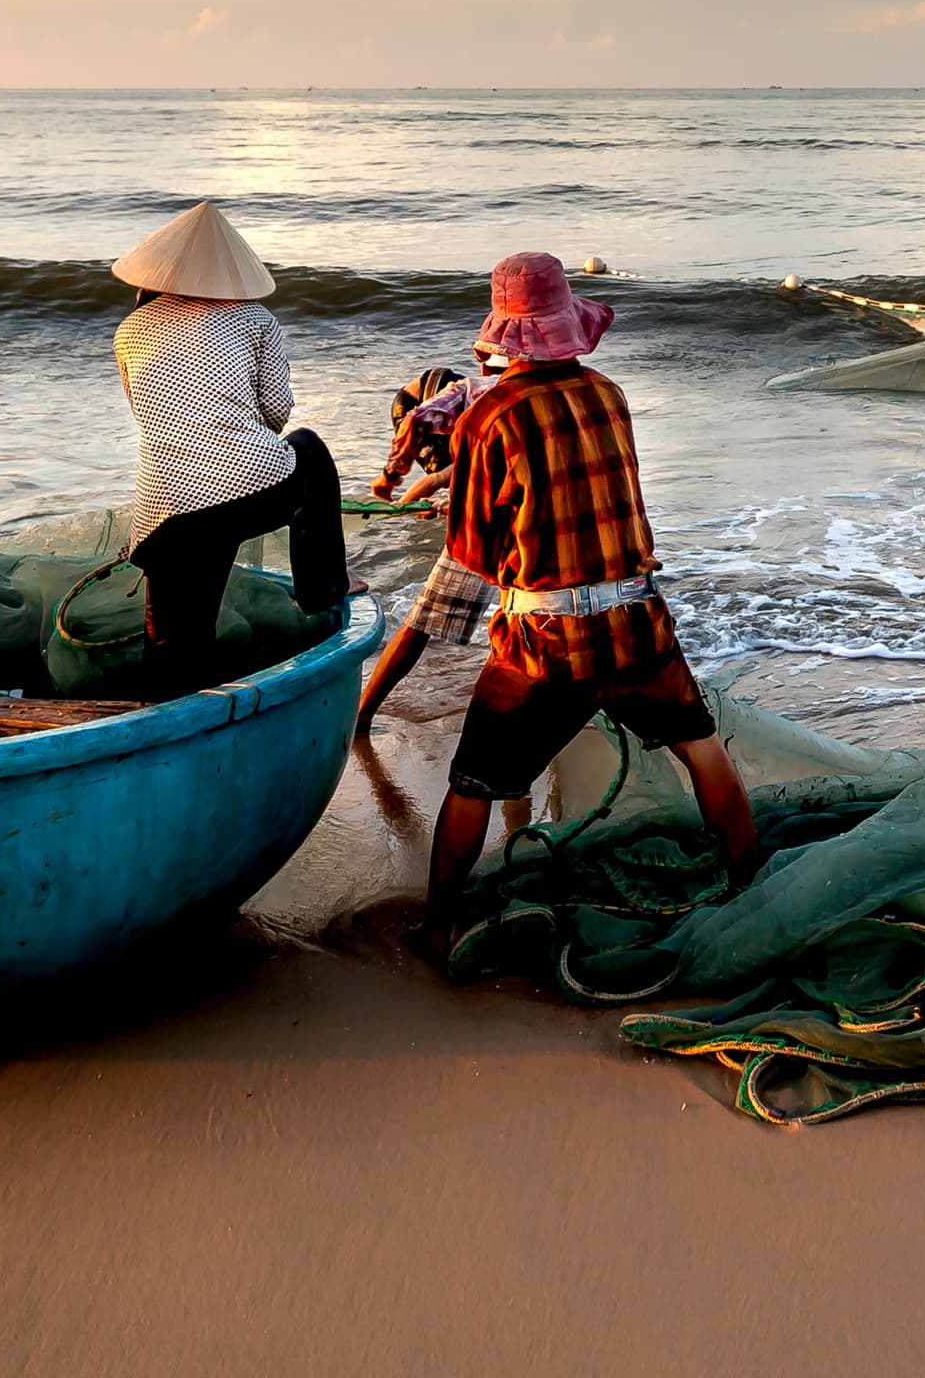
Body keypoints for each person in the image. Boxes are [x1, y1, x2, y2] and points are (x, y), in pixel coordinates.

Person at [352, 252, 759, 933]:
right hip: (637, 621)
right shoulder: (609, 393)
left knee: (472, 784)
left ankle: (441, 927)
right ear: (570, 323)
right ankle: (752, 888)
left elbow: (476, 554)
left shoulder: (490, 416)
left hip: (545, 645)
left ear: (504, 335)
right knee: (703, 749)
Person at [113, 201, 347, 689]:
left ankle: (163, 721)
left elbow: (147, 415)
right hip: (252, 489)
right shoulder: (254, 318)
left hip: (162, 514)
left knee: (175, 643)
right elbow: (279, 414)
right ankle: (321, 592)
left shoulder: (129, 329)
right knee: (309, 448)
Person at [368, 361, 483, 504]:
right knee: (449, 476)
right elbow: (413, 422)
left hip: (449, 389)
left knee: (458, 477)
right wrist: (389, 475)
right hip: (421, 398)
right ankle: (394, 513)